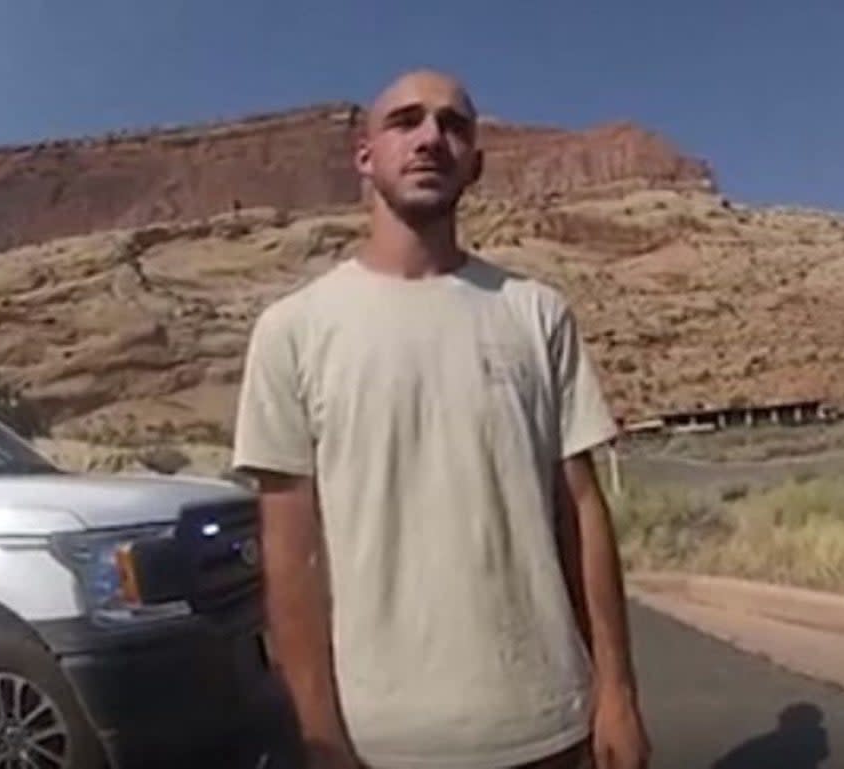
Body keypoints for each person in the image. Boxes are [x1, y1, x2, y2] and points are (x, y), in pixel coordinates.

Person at [231, 69, 653, 769]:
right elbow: (292, 556)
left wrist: (618, 694)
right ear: (365, 156)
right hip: (381, 742)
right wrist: (320, 735)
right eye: (406, 121)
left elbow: (581, 510)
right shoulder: (293, 331)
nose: (431, 138)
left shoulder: (535, 312)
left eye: (453, 125)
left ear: (476, 163)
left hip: (549, 727)